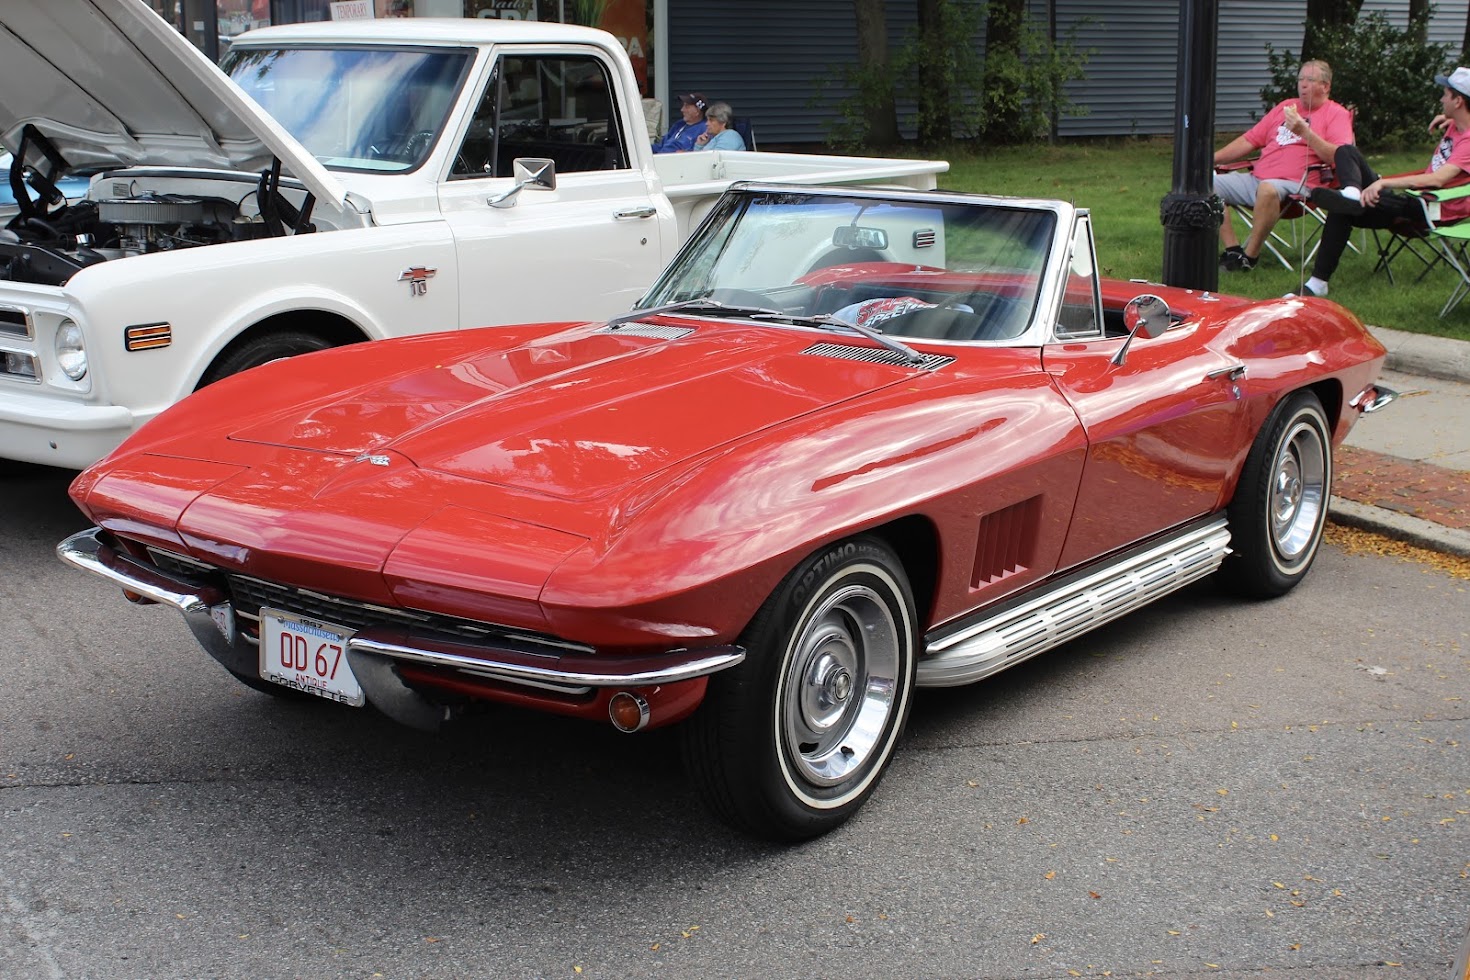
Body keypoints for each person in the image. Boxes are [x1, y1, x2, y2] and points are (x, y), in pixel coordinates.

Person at [1295, 67, 1470, 298]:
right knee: (1346, 151)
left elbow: (1438, 179)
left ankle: (1317, 283)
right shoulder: (1456, 125)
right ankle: (1351, 193)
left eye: (1445, 94)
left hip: (1434, 208)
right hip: (1417, 196)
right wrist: (1448, 117)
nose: (1441, 98)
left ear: (1458, 101)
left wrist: (1383, 183)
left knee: (1343, 210)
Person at [1212, 60, 1354, 272]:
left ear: (1325, 86)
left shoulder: (1336, 114)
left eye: (1310, 80)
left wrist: (1304, 131)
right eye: (1300, 79)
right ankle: (1233, 250)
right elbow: (1249, 140)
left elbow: (1339, 156)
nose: (1303, 85)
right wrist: (1210, 159)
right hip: (1258, 179)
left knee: (1268, 189)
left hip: (1300, 187)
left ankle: (1249, 257)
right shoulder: (1285, 107)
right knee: (1205, 183)